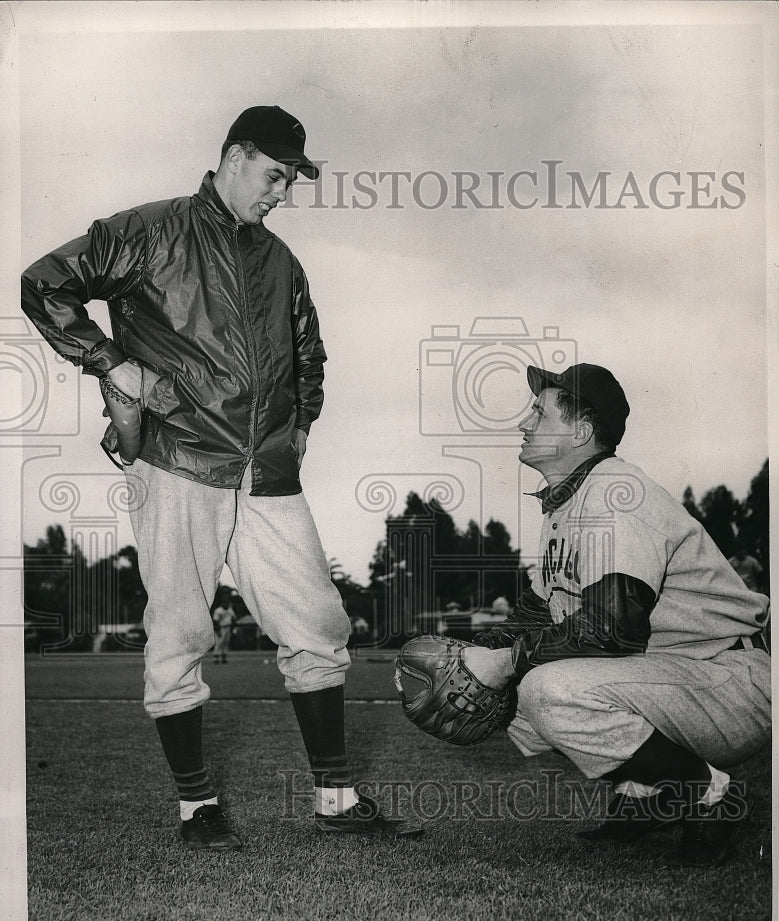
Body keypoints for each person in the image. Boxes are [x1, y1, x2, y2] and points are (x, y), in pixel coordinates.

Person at [21, 105, 421, 848]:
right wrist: (112, 362)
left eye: (291, 182)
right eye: (275, 176)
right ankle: (196, 806)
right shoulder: (150, 230)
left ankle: (335, 799)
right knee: (179, 630)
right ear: (235, 156)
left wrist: (298, 430)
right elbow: (44, 283)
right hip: (178, 461)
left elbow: (311, 357)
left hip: (266, 470)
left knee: (319, 624)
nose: (281, 194)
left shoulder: (281, 261)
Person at [461, 363, 771, 868]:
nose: (523, 423)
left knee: (546, 688)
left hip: (730, 680)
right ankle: (647, 794)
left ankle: (712, 796)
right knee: (499, 685)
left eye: (538, 413)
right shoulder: (567, 501)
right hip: (678, 677)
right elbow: (537, 612)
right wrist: (477, 653)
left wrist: (509, 659)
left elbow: (610, 628)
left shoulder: (614, 493)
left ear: (580, 432)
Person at [212, 596, 237, 665]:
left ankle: (223, 658)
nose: (226, 604)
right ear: (222, 604)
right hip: (221, 628)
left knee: (226, 643)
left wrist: (233, 628)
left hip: (228, 627)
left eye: (227, 603)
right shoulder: (218, 610)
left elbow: (234, 618)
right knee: (219, 643)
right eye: (224, 603)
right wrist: (217, 630)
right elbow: (215, 621)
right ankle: (216, 658)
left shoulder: (230, 609)